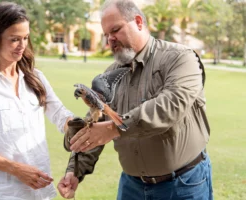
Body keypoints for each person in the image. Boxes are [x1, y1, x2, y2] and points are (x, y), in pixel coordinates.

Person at [57, 0, 212, 199]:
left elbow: (170, 105)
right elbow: (95, 123)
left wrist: (115, 128)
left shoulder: (180, 58)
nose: (110, 40)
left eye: (115, 30)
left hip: (183, 184)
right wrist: (75, 171)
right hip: (132, 187)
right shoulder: (109, 75)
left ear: (138, 22)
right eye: (106, 35)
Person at [0, 2, 74, 200]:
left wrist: (84, 127)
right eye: (14, 39)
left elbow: (61, 115)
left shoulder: (36, 78)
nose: (22, 46)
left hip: (39, 194)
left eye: (25, 38)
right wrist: (16, 169)